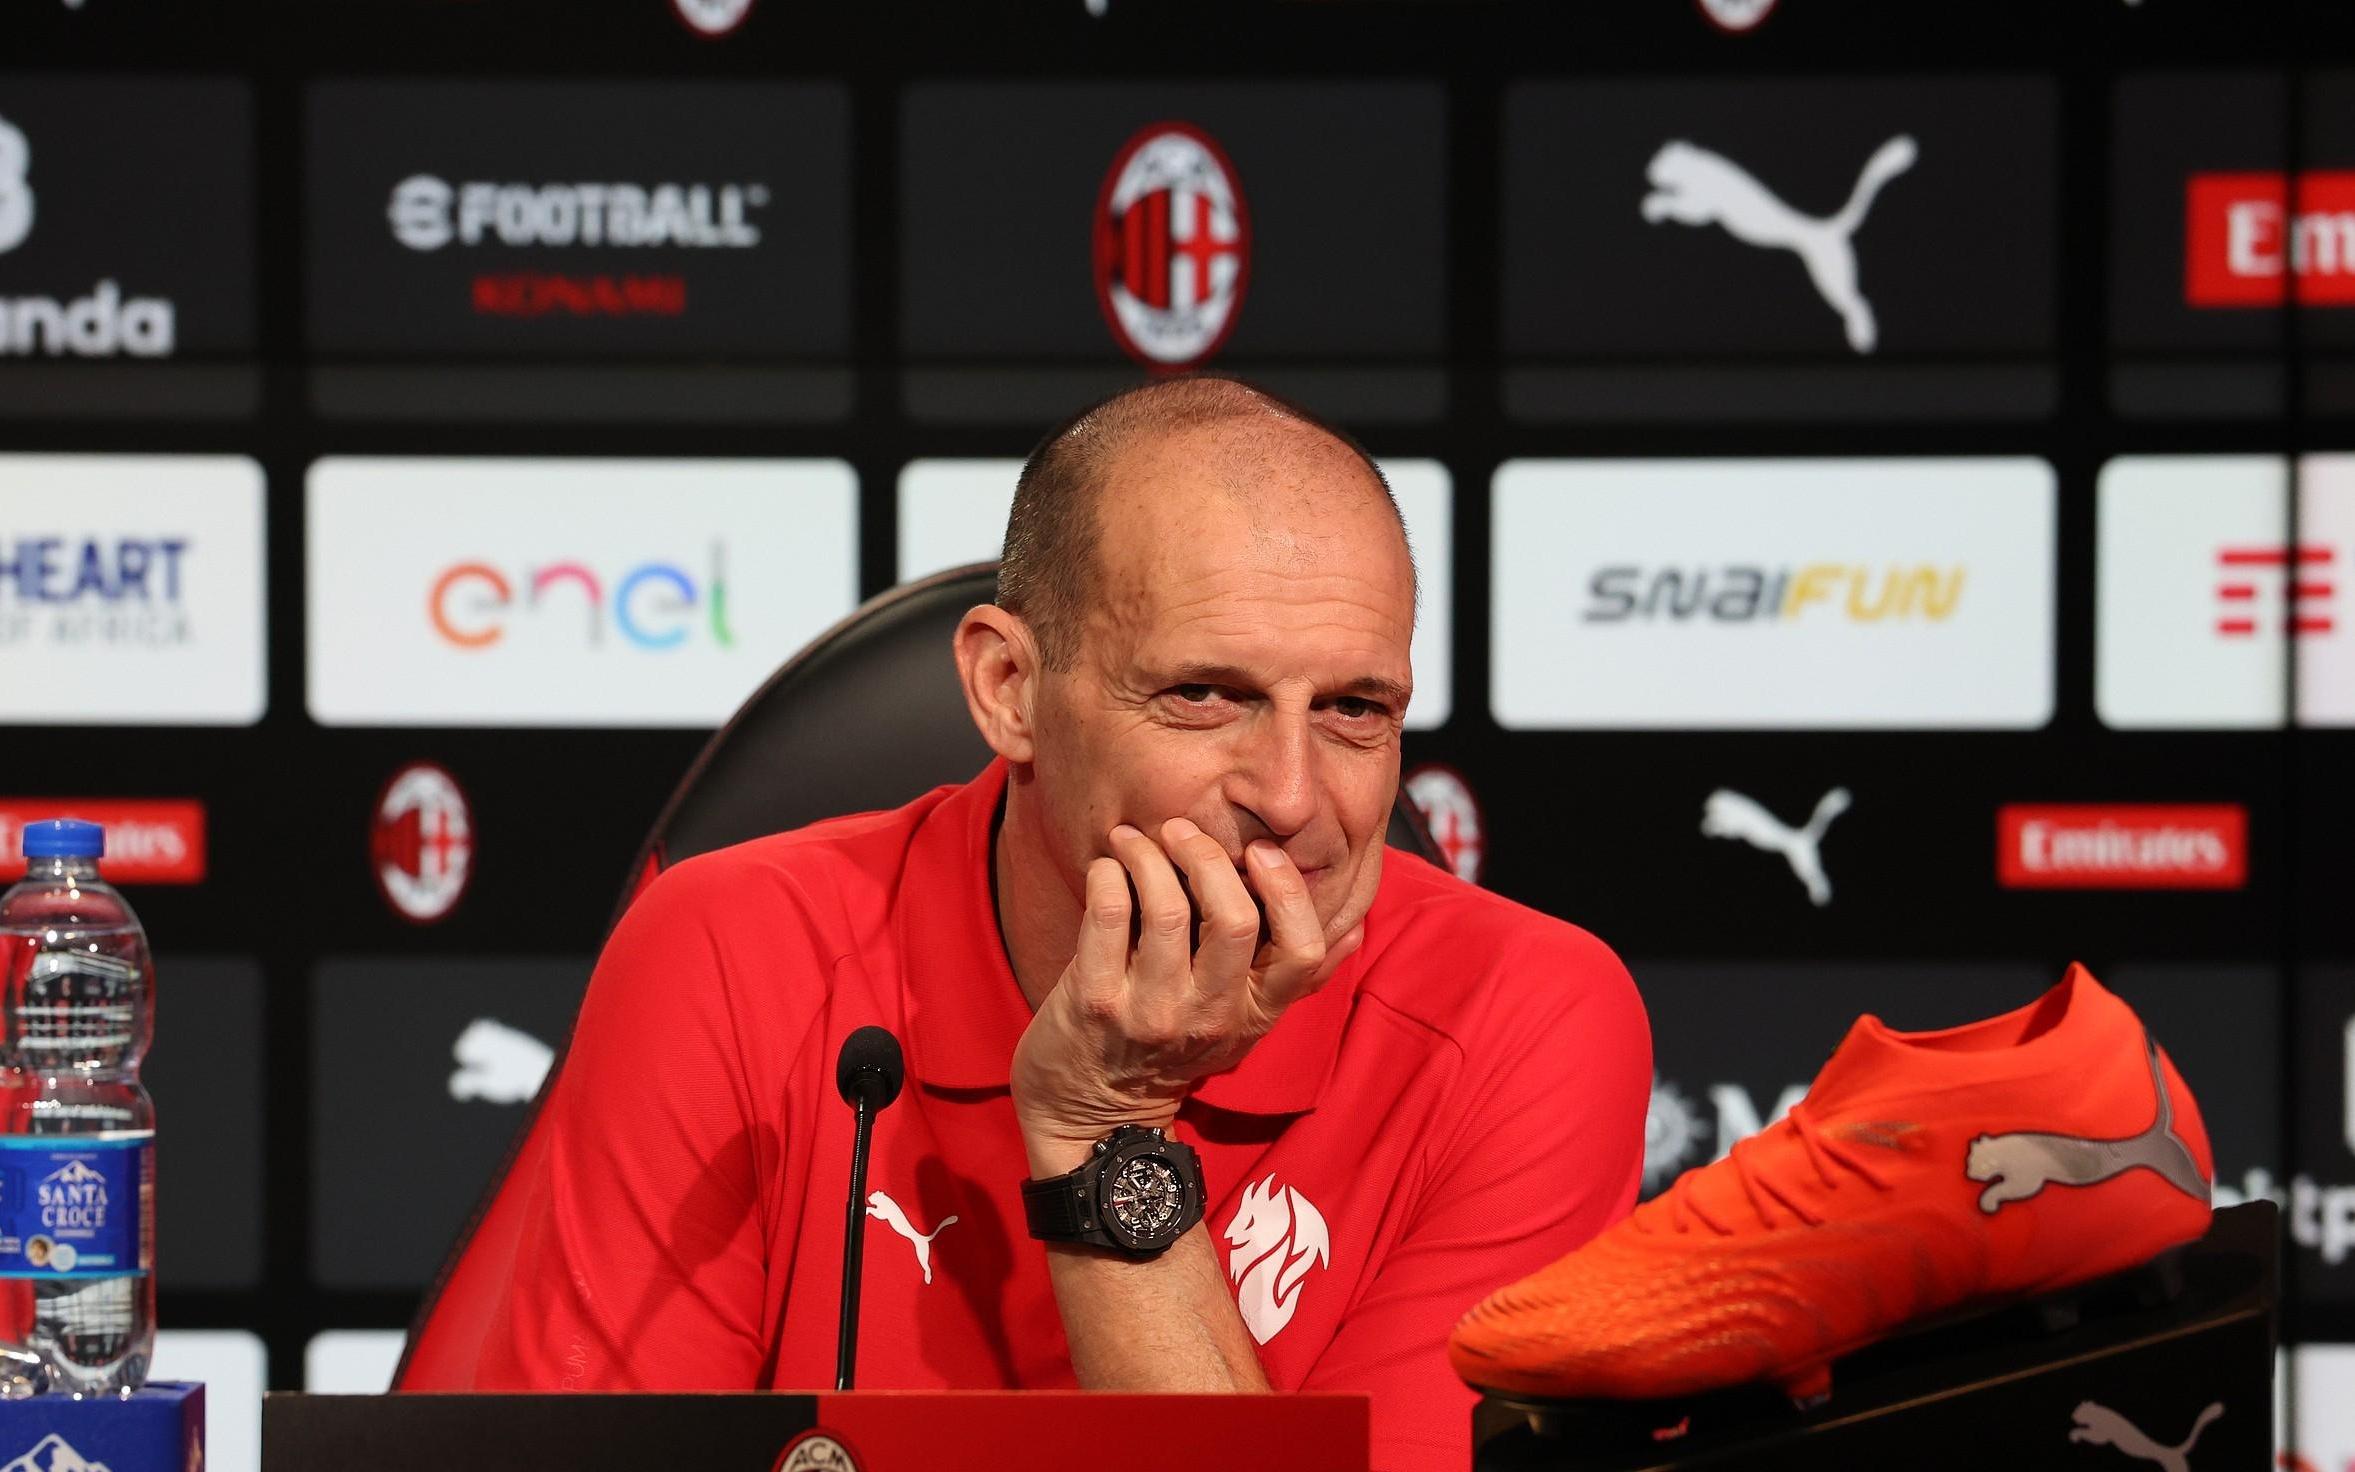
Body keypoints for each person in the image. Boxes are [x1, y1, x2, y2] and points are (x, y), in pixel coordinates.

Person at [399, 376, 1650, 1469]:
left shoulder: (1523, 1019)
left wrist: (1105, 1125)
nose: (1291, 792)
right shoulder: (729, 952)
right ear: (1010, 688)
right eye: (1204, 694)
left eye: (1354, 709)